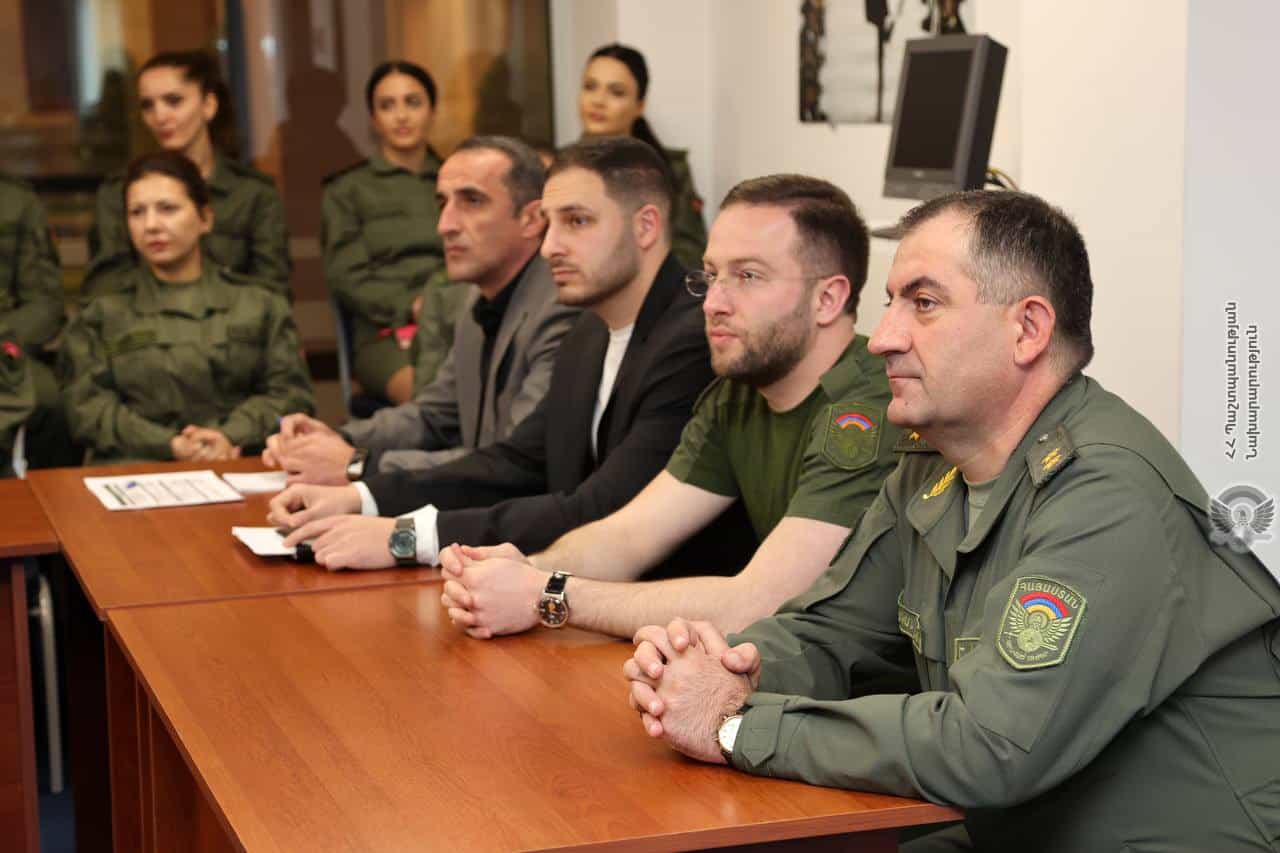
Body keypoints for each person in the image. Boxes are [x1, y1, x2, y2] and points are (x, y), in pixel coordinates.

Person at [623, 191, 1280, 853]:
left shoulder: (1106, 492)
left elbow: (990, 745)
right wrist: (723, 668)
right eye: (890, 302)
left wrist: (736, 726)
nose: (884, 338)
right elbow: (833, 632)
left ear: (1028, 330)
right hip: (1022, 827)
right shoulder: (932, 465)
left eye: (924, 303)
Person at [427, 172, 902, 641]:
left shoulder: (870, 407)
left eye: (748, 276)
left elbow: (757, 604)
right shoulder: (738, 393)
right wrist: (520, 571)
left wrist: (546, 594)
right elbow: (628, 538)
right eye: (711, 276)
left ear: (827, 298)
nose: (713, 303)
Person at [266, 137, 748, 575]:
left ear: (645, 226)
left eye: (577, 221)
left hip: (671, 617)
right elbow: (515, 464)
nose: (550, 247)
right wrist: (363, 497)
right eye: (550, 224)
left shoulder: (693, 340)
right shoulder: (588, 333)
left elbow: (603, 509)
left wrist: (407, 536)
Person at [263, 136, 577, 483]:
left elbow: (515, 464)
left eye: (472, 201)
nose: (445, 225)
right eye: (442, 203)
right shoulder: (475, 299)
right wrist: (335, 439)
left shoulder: (561, 309)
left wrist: (357, 463)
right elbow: (432, 417)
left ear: (531, 219)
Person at [61, 152, 314, 463]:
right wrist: (169, 444)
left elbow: (291, 396)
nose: (151, 225)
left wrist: (231, 435)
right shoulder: (103, 312)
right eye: (137, 212)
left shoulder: (259, 305)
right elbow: (87, 409)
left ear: (205, 218)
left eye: (167, 209)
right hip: (132, 471)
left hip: (243, 464)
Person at [83, 50, 290, 300]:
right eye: (148, 105)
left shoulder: (252, 193)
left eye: (174, 101)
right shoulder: (120, 192)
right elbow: (105, 287)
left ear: (208, 105)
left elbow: (273, 292)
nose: (160, 117)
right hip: (145, 321)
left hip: (235, 321)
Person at [323, 60, 470, 405]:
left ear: (432, 111)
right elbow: (346, 277)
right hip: (386, 333)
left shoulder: (460, 182)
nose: (401, 116)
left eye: (413, 102)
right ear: (374, 119)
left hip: (459, 316)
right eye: (387, 106)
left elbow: (480, 252)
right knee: (433, 399)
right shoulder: (347, 190)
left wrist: (443, 304)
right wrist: (411, 306)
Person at [579, 43, 707, 271]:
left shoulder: (668, 170)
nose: (598, 100)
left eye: (616, 92)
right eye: (590, 87)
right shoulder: (559, 168)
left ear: (639, 105)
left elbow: (691, 254)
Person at [0, 174, 74, 469]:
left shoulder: (17, 200)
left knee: (55, 402)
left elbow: (45, 304)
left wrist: (4, 341)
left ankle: (43, 494)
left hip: (5, 341)